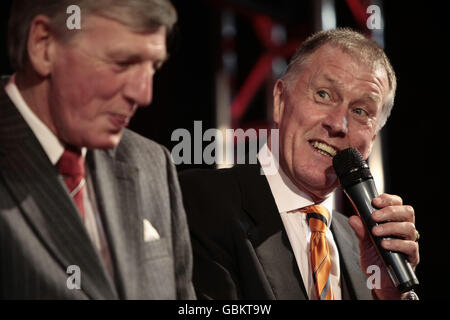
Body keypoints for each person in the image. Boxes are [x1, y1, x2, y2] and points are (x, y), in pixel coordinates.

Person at [179, 28, 420, 300]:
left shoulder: (367, 251)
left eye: (360, 111)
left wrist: (388, 295)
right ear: (281, 101)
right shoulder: (201, 199)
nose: (338, 124)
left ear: (372, 139)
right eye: (324, 95)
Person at [0, 0, 195, 299]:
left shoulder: (153, 162)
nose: (144, 94)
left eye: (153, 66)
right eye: (122, 63)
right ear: (44, 44)